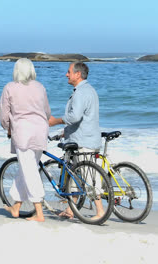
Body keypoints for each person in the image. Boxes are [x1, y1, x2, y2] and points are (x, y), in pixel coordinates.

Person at [49, 61, 103, 219]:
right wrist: (65, 133)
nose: (66, 74)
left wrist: (55, 121)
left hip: (83, 141)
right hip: (83, 138)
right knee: (75, 176)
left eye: (69, 72)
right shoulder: (89, 90)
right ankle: (70, 210)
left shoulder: (80, 92)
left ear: (78, 74)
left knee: (89, 178)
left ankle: (100, 212)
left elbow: (75, 116)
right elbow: (85, 118)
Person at [0, 58, 51, 222]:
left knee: (30, 171)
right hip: (40, 132)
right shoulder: (40, 87)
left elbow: (3, 114)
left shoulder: (10, 87)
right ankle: (17, 206)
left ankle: (39, 213)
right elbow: (47, 112)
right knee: (27, 168)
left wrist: (8, 128)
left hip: (23, 133)